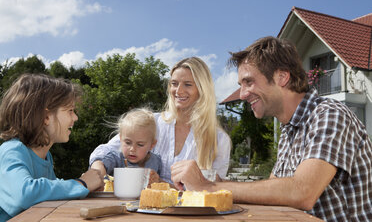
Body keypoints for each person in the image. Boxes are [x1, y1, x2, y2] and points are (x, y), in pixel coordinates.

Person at [171, 37, 372, 222]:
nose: (242, 94)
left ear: (282, 77)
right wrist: (219, 182)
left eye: (249, 82)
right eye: (241, 85)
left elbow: (302, 192)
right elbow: (273, 192)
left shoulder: (329, 114)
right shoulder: (289, 129)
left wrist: (211, 188)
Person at [90, 57, 231, 184]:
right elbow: (106, 150)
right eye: (174, 83)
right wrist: (98, 170)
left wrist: (163, 184)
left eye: (188, 84)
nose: (178, 91)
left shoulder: (219, 139)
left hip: (190, 212)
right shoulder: (152, 122)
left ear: (202, 89)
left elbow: (216, 189)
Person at [0, 74, 104, 221]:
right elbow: (24, 194)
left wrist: (83, 188)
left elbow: (50, 196)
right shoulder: (12, 151)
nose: (75, 118)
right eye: (70, 110)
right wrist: (81, 183)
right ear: (46, 116)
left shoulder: (45, 156)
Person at [90, 108, 162, 184]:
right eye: (128, 143)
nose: (132, 149)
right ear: (121, 139)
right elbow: (98, 166)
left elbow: (160, 183)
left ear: (152, 145)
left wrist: (157, 180)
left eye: (140, 145)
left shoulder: (156, 161)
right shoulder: (116, 158)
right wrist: (102, 179)